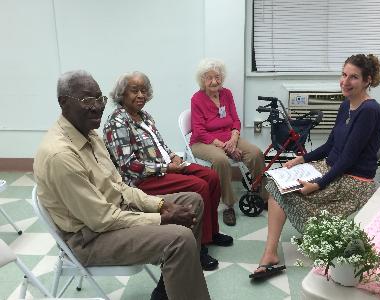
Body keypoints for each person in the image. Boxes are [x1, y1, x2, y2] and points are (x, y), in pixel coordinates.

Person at [33, 70, 211, 300]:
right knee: (179, 239)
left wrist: (158, 205)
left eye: (100, 99)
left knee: (192, 201)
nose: (97, 106)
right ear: (63, 102)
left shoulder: (89, 134)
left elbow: (119, 186)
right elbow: (102, 219)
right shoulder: (60, 155)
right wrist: (161, 217)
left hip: (115, 213)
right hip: (90, 239)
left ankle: (168, 290)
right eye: (88, 100)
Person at [252, 54, 380, 278]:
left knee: (283, 192)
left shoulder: (369, 110)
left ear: (367, 80)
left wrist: (318, 184)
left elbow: (349, 159)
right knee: (276, 182)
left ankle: (270, 253)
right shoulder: (346, 105)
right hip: (333, 167)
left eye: (353, 77)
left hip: (354, 180)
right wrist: (300, 159)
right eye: (344, 75)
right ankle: (270, 252)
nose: (345, 81)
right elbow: (332, 144)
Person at [103, 71, 233, 271]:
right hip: (142, 180)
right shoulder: (117, 122)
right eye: (134, 90)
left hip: (164, 168)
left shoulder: (144, 116)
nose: (140, 95)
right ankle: (197, 248)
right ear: (121, 93)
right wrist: (166, 166)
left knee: (211, 176)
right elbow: (128, 165)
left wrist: (173, 156)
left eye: (144, 90)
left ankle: (211, 232)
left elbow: (160, 145)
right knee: (199, 186)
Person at [190, 58, 267, 226]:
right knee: (221, 160)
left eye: (217, 77)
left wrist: (233, 138)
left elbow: (235, 121)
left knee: (256, 153)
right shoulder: (197, 99)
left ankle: (262, 196)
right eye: (209, 78)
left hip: (228, 137)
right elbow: (199, 132)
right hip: (203, 142)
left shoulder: (227, 94)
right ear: (202, 80)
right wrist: (227, 147)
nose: (214, 81)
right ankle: (227, 205)